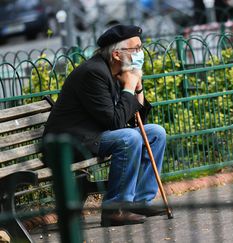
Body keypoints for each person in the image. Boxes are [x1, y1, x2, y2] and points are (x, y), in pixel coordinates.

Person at [43, 25, 166, 227]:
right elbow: (116, 123)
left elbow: (137, 121)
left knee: (156, 133)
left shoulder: (119, 70)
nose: (140, 53)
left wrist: (138, 86)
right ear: (117, 54)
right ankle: (113, 210)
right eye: (135, 49)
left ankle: (140, 202)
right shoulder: (93, 73)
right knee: (129, 138)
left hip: (94, 135)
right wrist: (128, 87)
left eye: (141, 48)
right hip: (70, 143)